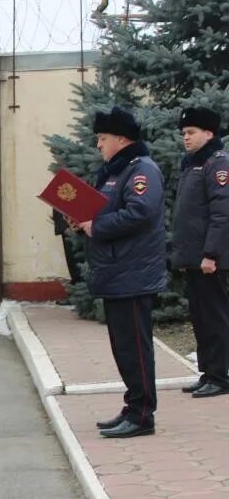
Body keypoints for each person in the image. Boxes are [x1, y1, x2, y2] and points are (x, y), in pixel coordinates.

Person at [71, 107, 166, 439]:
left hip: (133, 271)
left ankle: (142, 415)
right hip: (117, 270)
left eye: (103, 138)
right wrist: (83, 221)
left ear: (122, 139)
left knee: (135, 347)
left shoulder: (142, 171)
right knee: (124, 347)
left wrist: (95, 226)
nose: (98, 144)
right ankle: (133, 405)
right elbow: (108, 210)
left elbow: (139, 213)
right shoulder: (115, 171)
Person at [170, 106, 229, 398]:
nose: (186, 138)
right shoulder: (193, 163)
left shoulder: (217, 164)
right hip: (194, 258)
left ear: (209, 133)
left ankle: (220, 376)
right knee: (201, 316)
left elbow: (222, 213)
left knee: (215, 316)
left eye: (191, 132)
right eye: (184, 133)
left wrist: (211, 254)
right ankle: (208, 372)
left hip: (210, 260)